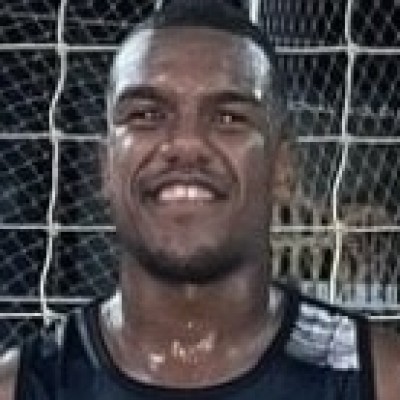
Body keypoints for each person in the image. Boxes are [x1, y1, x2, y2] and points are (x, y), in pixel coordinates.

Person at [1, 0, 400, 399]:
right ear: (106, 165)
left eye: (228, 118)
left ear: (282, 168)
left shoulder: (380, 380)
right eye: (147, 115)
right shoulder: (22, 386)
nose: (186, 145)